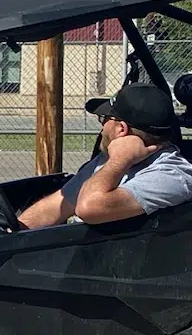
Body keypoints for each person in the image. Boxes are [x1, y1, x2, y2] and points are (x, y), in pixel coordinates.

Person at [19, 83, 192, 228]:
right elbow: (55, 207)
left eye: (104, 118)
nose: (102, 127)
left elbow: (88, 208)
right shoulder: (106, 162)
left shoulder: (172, 175)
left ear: (121, 129)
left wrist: (120, 159)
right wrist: (14, 231)